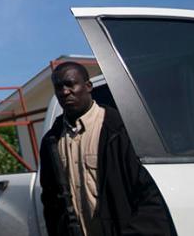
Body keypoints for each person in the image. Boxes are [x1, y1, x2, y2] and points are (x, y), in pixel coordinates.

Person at [39, 61, 177, 236]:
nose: (65, 92)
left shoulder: (121, 130)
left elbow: (150, 196)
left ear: (88, 86)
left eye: (70, 84)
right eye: (59, 87)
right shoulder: (51, 142)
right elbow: (51, 203)